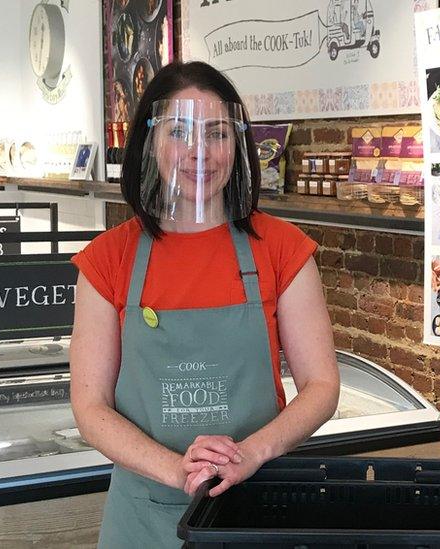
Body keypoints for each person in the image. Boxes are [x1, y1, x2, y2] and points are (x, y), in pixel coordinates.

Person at [69, 62, 340, 548]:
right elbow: (90, 407)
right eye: (180, 132)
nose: (200, 152)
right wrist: (179, 470)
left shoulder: (283, 250)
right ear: (150, 142)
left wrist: (251, 454)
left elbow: (321, 387)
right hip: (143, 517)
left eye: (217, 133)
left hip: (258, 506)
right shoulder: (107, 260)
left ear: (237, 143)